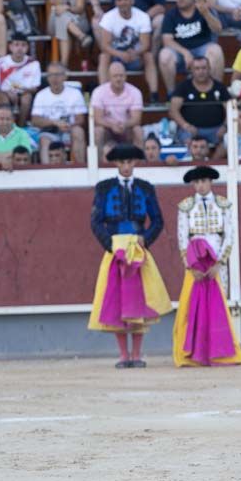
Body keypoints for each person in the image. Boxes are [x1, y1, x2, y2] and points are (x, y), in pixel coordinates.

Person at [88, 143, 169, 368]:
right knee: (117, 302)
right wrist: (110, 245)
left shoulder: (146, 187)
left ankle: (136, 355)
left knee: (138, 302)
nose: (125, 166)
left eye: (129, 162)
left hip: (138, 249)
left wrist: (146, 239)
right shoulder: (103, 188)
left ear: (135, 163)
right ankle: (123, 355)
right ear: (116, 164)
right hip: (115, 249)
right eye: (122, 162)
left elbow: (158, 220)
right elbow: (95, 222)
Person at [173, 165, 241, 367]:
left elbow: (229, 237)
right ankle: (194, 353)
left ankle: (219, 352)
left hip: (216, 265)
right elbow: (182, 238)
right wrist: (191, 266)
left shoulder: (224, 205)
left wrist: (219, 263)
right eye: (197, 182)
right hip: (195, 266)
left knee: (219, 306)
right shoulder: (185, 207)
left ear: (211, 182)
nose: (201, 186)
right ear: (193, 184)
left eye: (204, 181)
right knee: (191, 307)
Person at [159, 0, 225, 98]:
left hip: (202, 48)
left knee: (216, 51)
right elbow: (167, 40)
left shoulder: (203, 9)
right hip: (180, 52)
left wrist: (205, 13)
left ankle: (216, 92)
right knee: (164, 55)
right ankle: (172, 94)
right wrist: (185, 53)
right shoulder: (171, 14)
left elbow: (218, 29)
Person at [98, 0, 157, 100]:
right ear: (116, 2)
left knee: (148, 56)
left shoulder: (142, 16)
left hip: (135, 56)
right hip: (116, 57)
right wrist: (120, 54)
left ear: (132, 1)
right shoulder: (108, 17)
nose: (122, 2)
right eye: (119, 0)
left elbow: (145, 44)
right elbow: (105, 45)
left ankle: (154, 94)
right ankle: (103, 94)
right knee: (103, 56)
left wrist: (135, 52)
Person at [168, 55, 230, 154]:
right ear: (191, 70)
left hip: (216, 129)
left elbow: (230, 109)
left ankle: (212, 163)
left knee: (228, 141)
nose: (201, 71)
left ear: (209, 69)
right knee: (186, 140)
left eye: (204, 68)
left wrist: (225, 127)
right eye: (197, 68)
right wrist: (186, 126)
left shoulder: (220, 87)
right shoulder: (183, 86)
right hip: (190, 129)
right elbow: (173, 110)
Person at [31, 62, 87, 163]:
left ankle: (80, 168)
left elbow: (80, 119)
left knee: (79, 131)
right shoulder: (41, 95)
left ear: (64, 76)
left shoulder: (75, 93)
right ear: (47, 78)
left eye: (57, 74)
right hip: (49, 131)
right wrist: (55, 123)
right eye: (51, 75)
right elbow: (35, 120)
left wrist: (68, 125)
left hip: (69, 130)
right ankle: (47, 171)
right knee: (44, 140)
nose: (54, 78)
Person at [91, 61, 143, 155]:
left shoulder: (135, 92)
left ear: (126, 76)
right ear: (109, 77)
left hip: (126, 129)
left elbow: (136, 119)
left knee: (138, 130)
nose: (118, 79)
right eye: (115, 76)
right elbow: (97, 119)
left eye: (121, 75)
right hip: (107, 130)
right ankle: (98, 166)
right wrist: (112, 125)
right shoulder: (98, 92)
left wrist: (124, 124)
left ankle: (139, 164)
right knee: (97, 131)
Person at [48, 0, 90, 69]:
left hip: (79, 22)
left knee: (63, 20)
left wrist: (67, 7)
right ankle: (82, 37)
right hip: (54, 23)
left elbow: (80, 9)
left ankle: (64, 65)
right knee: (60, 16)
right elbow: (56, 4)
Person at [0, 32, 41, 124]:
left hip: (24, 93)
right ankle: (5, 125)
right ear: (10, 47)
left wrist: (21, 91)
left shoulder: (34, 63)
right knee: (2, 98)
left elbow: (35, 88)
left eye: (23, 45)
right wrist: (7, 92)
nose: (19, 48)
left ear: (27, 48)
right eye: (16, 45)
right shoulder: (0, 62)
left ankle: (21, 126)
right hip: (5, 93)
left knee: (26, 98)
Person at [0, 104, 33, 169]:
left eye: (8, 119)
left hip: (18, 173)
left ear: (13, 119)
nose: (5, 122)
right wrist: (7, 159)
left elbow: (24, 155)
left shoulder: (22, 133)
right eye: (1, 119)